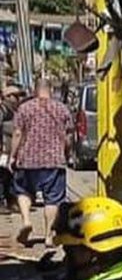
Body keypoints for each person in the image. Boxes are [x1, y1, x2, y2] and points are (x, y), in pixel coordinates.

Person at [10, 78, 72, 246]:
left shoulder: (24, 108)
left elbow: (17, 133)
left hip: (27, 160)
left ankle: (26, 221)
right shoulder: (62, 109)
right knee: (52, 199)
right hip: (53, 161)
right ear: (50, 90)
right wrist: (66, 153)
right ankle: (48, 235)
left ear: (35, 90)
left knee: (23, 191)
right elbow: (68, 138)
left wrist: (12, 156)